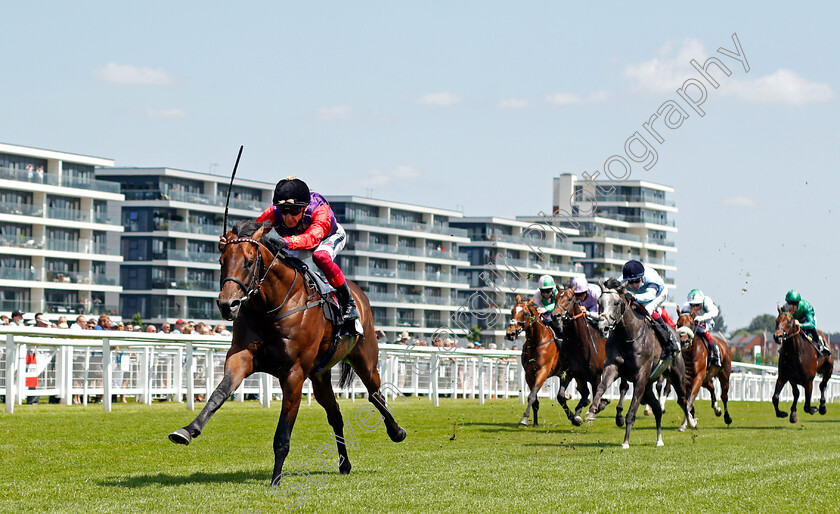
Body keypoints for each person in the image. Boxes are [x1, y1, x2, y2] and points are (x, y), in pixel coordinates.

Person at [254, 176, 359, 327]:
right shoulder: (273, 211)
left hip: (326, 238)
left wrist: (285, 242)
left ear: (304, 207)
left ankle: (348, 302)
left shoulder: (320, 209)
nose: (289, 218)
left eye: (295, 211)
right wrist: (231, 239)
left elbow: (312, 239)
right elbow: (254, 230)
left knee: (320, 256)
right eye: (284, 211)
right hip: (296, 242)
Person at [621, 260, 680, 362]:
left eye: (637, 281)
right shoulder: (623, 279)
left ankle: (671, 340)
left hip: (657, 294)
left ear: (642, 277)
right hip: (640, 295)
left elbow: (650, 296)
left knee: (648, 309)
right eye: (631, 282)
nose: (634, 284)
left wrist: (634, 296)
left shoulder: (651, 278)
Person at [681, 289, 722, 367]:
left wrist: (703, 318)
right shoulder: (686, 306)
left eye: (697, 304)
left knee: (702, 330)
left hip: (707, 322)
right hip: (694, 323)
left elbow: (715, 312)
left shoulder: (706, 302)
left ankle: (715, 352)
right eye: (692, 305)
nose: (694, 307)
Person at [784, 290, 830, 356]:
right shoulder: (786, 307)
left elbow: (811, 324)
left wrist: (800, 324)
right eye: (789, 303)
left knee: (809, 331)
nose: (790, 306)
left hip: (807, 320)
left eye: (793, 304)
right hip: (796, 321)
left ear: (797, 303)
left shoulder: (806, 306)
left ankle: (819, 342)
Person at [531, 274, 562, 341]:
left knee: (557, 327)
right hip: (545, 315)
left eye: (547, 291)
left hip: (557, 315)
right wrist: (537, 308)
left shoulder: (557, 293)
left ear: (552, 289)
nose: (545, 294)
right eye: (543, 291)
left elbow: (557, 305)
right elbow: (534, 304)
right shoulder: (537, 293)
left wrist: (545, 309)